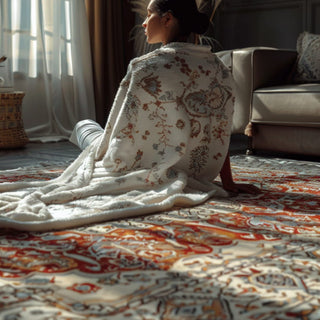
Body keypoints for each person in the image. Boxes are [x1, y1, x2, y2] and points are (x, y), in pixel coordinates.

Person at [0, 0, 260, 232]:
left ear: (168, 19)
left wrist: (104, 161)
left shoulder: (145, 66)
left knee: (83, 125)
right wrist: (227, 180)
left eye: (149, 15)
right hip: (197, 170)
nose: (144, 22)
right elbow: (219, 130)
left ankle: (83, 128)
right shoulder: (219, 68)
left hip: (137, 161)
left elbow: (118, 137)